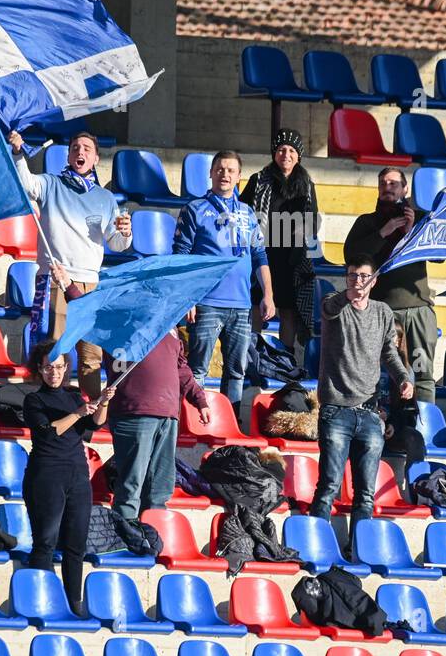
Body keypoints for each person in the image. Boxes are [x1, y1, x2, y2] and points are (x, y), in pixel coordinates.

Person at [9, 129, 131, 400]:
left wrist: (125, 232)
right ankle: (53, 409)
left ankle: (91, 415)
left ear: (96, 158)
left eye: (87, 148)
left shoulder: (105, 198)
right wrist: (18, 153)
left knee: (91, 355)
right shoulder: (52, 184)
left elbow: (117, 245)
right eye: (75, 147)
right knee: (54, 352)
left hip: (92, 283)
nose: (80, 152)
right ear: (68, 155)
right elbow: (25, 184)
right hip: (56, 279)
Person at [310, 254, 413, 537]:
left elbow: (389, 352)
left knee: (366, 493)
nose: (357, 281)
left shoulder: (383, 312)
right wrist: (348, 294)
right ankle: (315, 544)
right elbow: (330, 308)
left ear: (374, 281)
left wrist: (403, 377)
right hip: (336, 410)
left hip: (369, 412)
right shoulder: (335, 303)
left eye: (364, 276)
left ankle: (358, 550)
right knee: (329, 486)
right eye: (353, 275)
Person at [173, 150, 274, 413]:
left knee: (236, 371)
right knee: (198, 368)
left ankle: (230, 427)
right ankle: (192, 423)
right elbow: (181, 257)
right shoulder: (194, 209)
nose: (224, 174)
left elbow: (260, 255)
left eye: (230, 170)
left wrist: (268, 295)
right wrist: (187, 298)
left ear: (239, 176)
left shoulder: (248, 213)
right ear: (210, 173)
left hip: (241, 305)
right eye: (219, 169)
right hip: (206, 302)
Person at [22, 340, 115, 615]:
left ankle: (74, 604)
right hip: (46, 475)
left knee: (76, 545)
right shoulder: (34, 400)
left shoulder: (74, 396)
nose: (55, 372)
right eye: (49, 367)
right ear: (39, 370)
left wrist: (103, 403)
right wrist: (76, 413)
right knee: (45, 542)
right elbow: (49, 432)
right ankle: (42, 602)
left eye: (59, 367)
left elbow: (94, 424)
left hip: (77, 475)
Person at [343, 167, 437, 402]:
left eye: (394, 183)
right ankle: (379, 423)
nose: (388, 187)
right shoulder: (367, 222)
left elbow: (439, 254)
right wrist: (383, 233)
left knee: (422, 373)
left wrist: (411, 232)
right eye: (383, 183)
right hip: (381, 310)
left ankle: (422, 427)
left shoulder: (420, 218)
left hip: (417, 310)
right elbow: (352, 256)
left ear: (405, 188)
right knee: (380, 372)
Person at [106, 327, 210, 520]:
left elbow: (181, 369)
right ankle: (123, 538)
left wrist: (199, 400)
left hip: (168, 415)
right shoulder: (120, 318)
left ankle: (152, 537)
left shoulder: (169, 325)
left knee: (160, 487)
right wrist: (66, 294)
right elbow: (86, 306)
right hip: (133, 412)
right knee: (131, 486)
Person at [240, 128, 319, 361]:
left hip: (291, 256)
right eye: (282, 149)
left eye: (292, 150)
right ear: (274, 152)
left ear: (299, 155)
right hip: (262, 252)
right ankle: (251, 356)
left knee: (288, 310)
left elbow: (312, 218)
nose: (286, 154)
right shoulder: (258, 180)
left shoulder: (306, 184)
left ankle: (284, 359)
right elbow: (243, 213)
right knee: (257, 304)